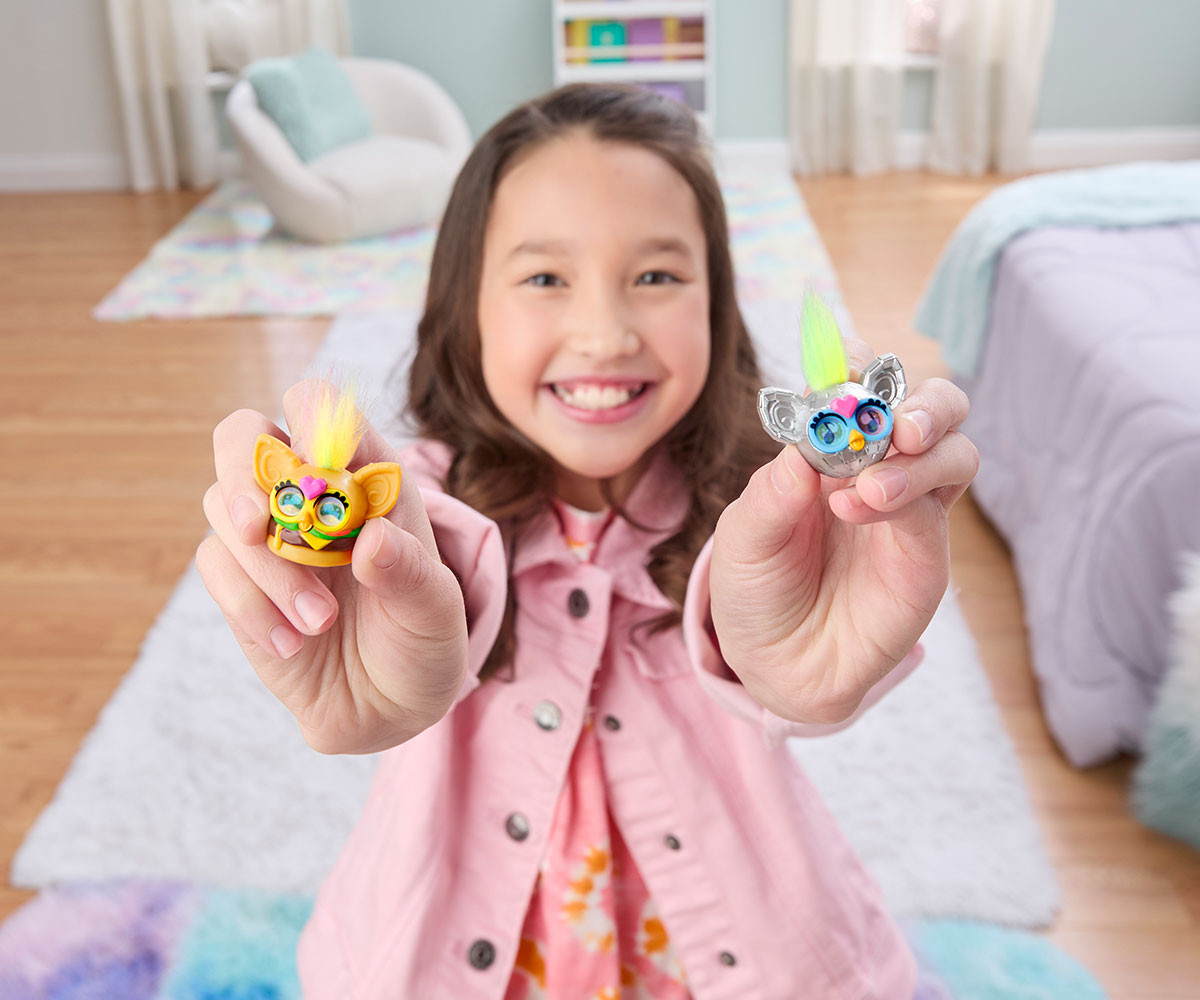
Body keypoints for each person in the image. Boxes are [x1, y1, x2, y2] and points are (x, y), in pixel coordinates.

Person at [197, 84, 978, 1000]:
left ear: (717, 303)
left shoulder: (774, 507)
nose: (605, 336)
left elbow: (798, 667)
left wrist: (805, 671)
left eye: (656, 276)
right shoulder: (410, 508)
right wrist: (351, 630)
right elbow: (415, 587)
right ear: (466, 306)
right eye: (544, 279)